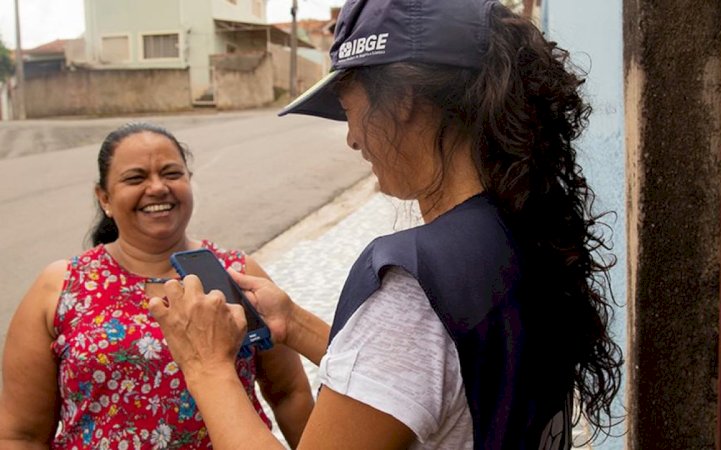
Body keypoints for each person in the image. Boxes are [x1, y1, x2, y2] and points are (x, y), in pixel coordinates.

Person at [149, 0, 624, 448]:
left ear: (404, 102)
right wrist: (292, 322)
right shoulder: (520, 226)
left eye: (351, 112)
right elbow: (413, 379)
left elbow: (411, 346)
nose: (353, 140)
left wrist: (206, 365)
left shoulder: (414, 283)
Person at [0, 123, 314, 449]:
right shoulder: (61, 287)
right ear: (104, 197)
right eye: (136, 178)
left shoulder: (238, 275)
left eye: (171, 173)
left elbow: (289, 392)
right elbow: (20, 434)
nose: (157, 187)